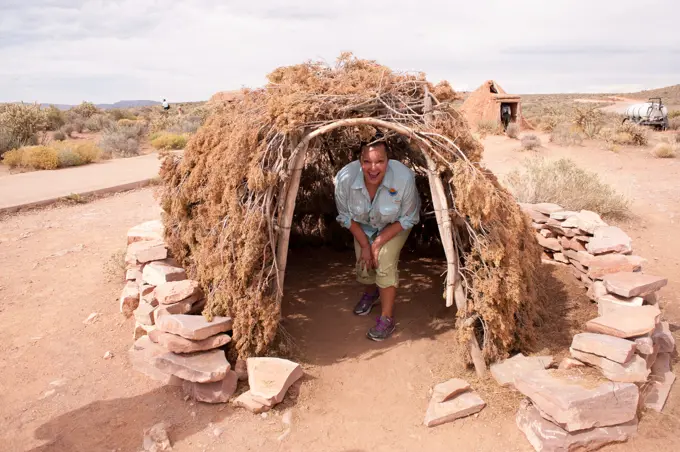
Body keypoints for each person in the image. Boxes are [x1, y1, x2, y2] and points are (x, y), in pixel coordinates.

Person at [334, 140, 420, 341]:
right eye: (367, 162)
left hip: (395, 225)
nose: (373, 168)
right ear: (360, 161)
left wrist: (377, 243)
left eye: (380, 161)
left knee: (383, 260)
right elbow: (345, 216)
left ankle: (386, 318)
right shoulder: (345, 179)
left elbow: (409, 218)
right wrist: (365, 244)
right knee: (364, 265)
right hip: (363, 226)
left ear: (388, 161)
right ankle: (372, 294)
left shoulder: (403, 178)